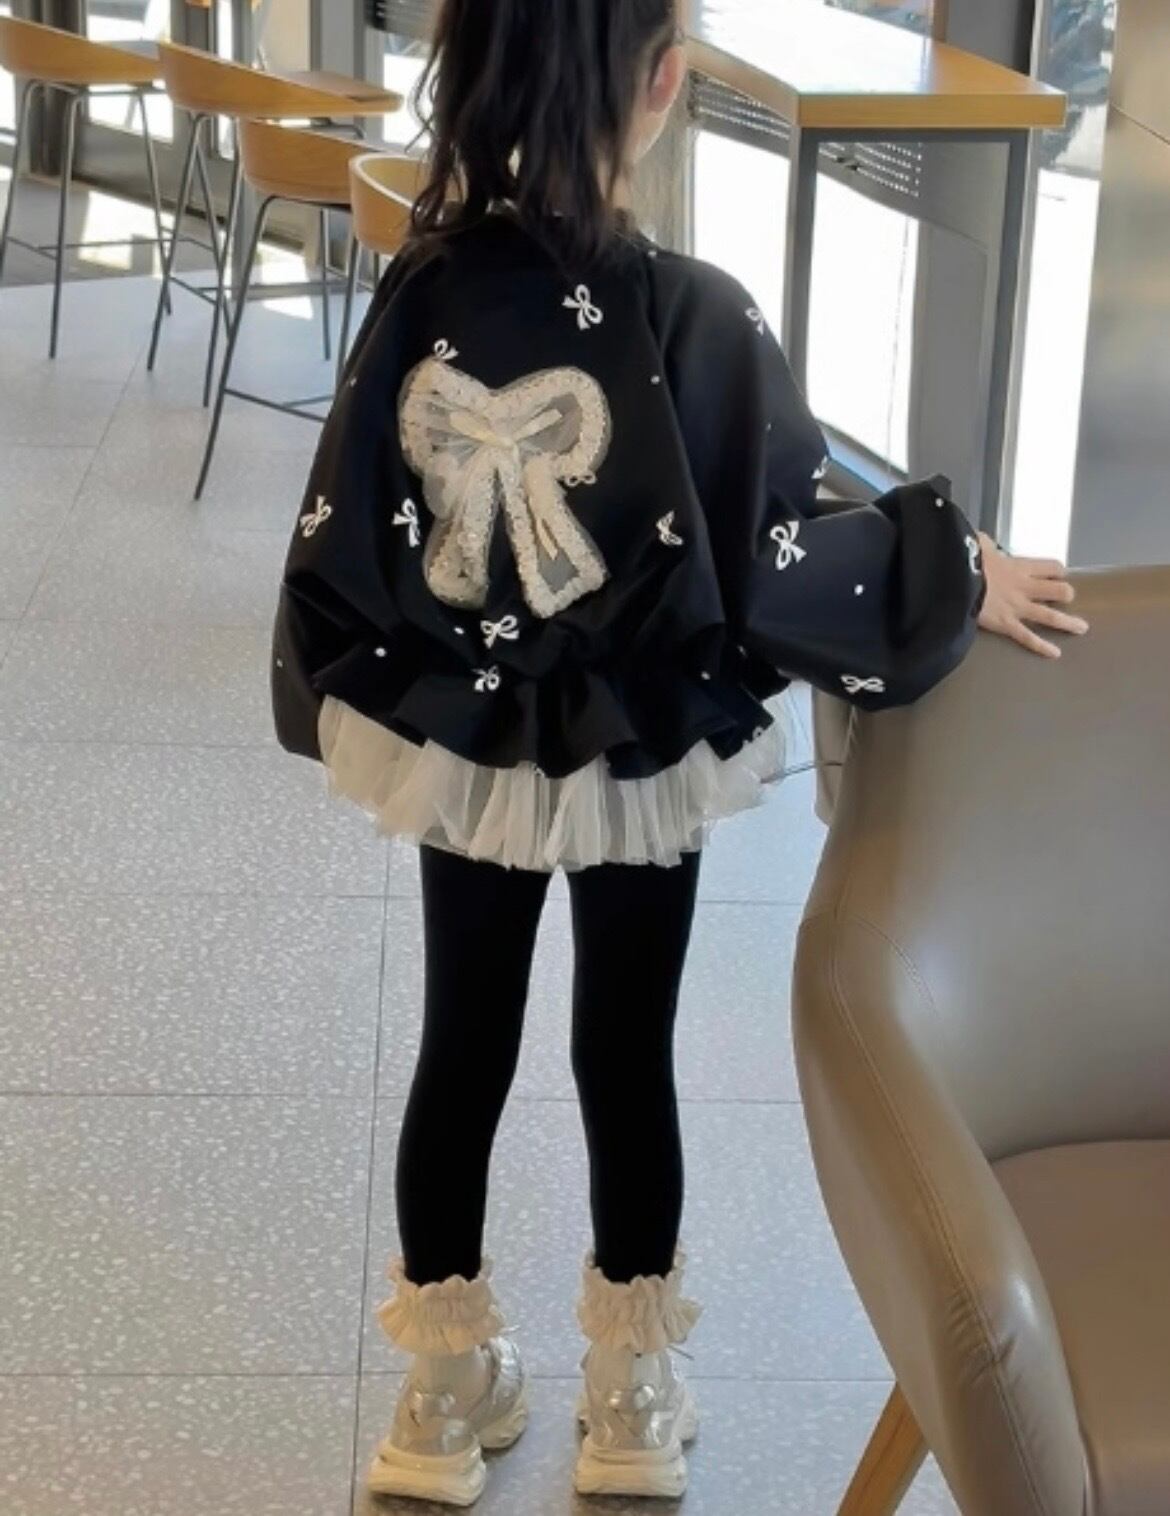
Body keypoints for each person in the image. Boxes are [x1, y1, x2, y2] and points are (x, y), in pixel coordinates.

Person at [271, 1, 1087, 1503]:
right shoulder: (692, 312)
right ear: (662, 85)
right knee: (624, 1048)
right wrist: (955, 567)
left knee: (463, 1042)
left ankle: (439, 1403)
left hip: (470, 740)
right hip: (640, 745)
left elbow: (345, 536)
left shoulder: (420, 289)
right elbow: (780, 553)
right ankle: (631, 1403)